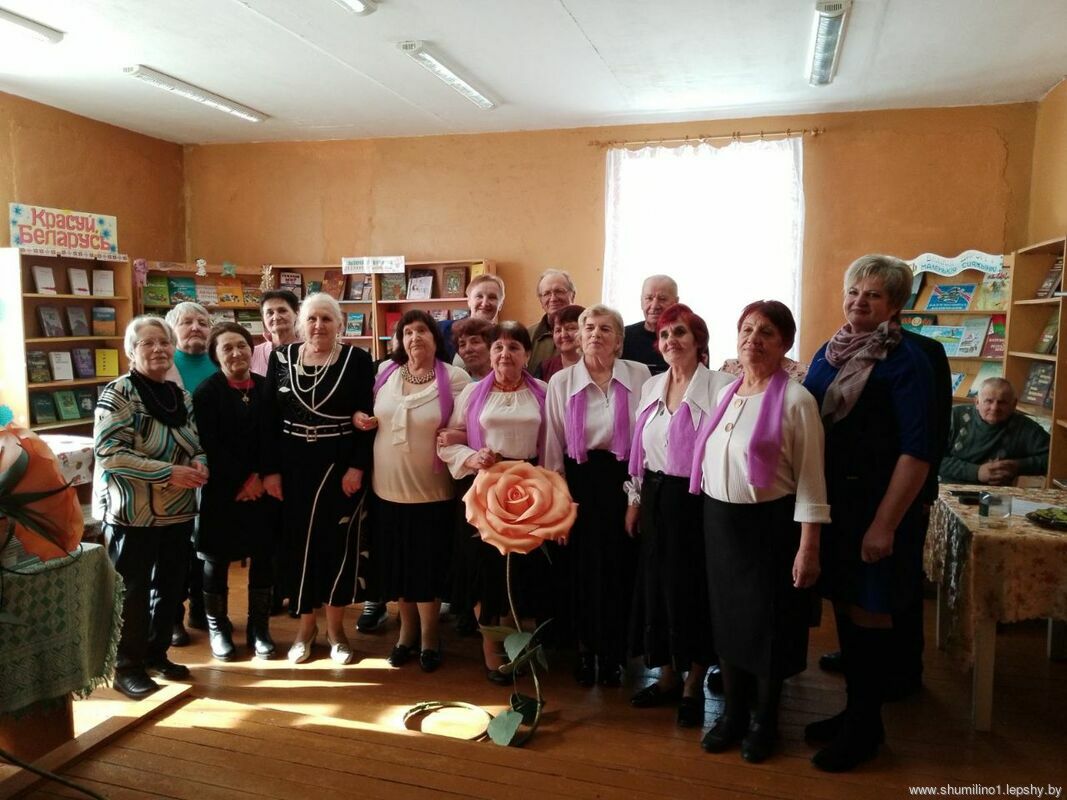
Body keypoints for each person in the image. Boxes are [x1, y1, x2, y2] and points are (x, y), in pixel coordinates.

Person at [803, 254, 935, 772]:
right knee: (847, 608)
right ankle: (857, 715)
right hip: (834, 504)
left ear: (895, 305)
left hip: (877, 507)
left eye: (874, 295)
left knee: (871, 612)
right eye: (854, 291)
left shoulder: (906, 361)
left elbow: (917, 451)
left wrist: (885, 524)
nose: (859, 301)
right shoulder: (830, 351)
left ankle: (865, 729)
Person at [691, 301, 828, 763]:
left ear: (785, 343)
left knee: (769, 626)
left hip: (770, 529)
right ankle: (732, 714)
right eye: (747, 329)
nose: (754, 339)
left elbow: (811, 481)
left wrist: (809, 547)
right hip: (720, 525)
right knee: (728, 622)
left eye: (766, 332)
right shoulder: (726, 393)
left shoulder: (797, 401)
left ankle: (765, 721)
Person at [626, 304, 733, 728]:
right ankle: (667, 675)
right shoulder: (652, 386)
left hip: (699, 499)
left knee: (693, 589)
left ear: (698, 340)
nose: (672, 340)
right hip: (656, 495)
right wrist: (635, 500)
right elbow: (640, 450)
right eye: (665, 334)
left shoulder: (722, 387)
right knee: (658, 587)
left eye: (681, 332)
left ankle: (694, 682)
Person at [94, 316, 209, 698]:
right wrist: (168, 472)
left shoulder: (180, 396)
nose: (158, 348)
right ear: (131, 351)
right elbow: (110, 454)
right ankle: (126, 666)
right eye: (148, 343)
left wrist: (200, 464)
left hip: (178, 511)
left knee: (170, 587)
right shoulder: (118, 394)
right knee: (132, 591)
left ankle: (157, 654)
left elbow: (196, 444)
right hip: (133, 514)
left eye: (164, 342)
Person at [261, 293, 375, 665]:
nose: (318, 325)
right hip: (292, 467)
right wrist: (271, 471)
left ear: (339, 324)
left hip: (339, 467)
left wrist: (357, 467)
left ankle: (336, 631)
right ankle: (305, 629)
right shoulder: (281, 358)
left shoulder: (357, 360)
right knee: (298, 547)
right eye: (311, 318)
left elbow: (368, 417)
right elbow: (268, 419)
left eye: (327, 318)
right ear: (300, 324)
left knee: (336, 546)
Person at [356, 309, 470, 672]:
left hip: (432, 492)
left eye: (422, 331)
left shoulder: (454, 377)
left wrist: (457, 434)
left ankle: (430, 636)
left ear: (436, 338)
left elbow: (470, 426)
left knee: (427, 566)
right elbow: (365, 411)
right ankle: (406, 633)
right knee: (397, 566)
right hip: (386, 489)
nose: (414, 337)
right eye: (407, 332)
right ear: (399, 340)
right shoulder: (384, 372)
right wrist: (360, 418)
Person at [545, 304, 650, 687]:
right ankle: (586, 650)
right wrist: (560, 505)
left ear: (619, 340)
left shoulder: (640, 375)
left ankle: (614, 654)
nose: (595, 334)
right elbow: (552, 446)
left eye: (606, 328)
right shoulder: (562, 382)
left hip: (624, 481)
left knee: (621, 569)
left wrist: (635, 498)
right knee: (583, 571)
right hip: (579, 483)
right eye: (588, 327)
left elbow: (645, 441)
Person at [438, 322, 549, 682]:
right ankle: (491, 649)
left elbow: (554, 445)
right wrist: (473, 457)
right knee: (485, 570)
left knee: (522, 571)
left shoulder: (544, 392)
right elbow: (446, 441)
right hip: (484, 489)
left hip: (529, 490)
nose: (505, 354)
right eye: (498, 347)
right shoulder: (473, 394)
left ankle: (518, 643)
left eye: (514, 348)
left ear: (527, 355)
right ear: (490, 353)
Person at [192, 323, 275, 661]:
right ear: (216, 355)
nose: (237, 353)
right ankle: (219, 628)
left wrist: (259, 477)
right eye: (227, 348)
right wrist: (242, 481)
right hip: (221, 490)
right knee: (216, 559)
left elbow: (273, 437)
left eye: (241, 345)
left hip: (262, 487)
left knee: (264, 555)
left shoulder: (266, 387)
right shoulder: (206, 393)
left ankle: (259, 627)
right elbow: (209, 445)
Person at [164, 300, 218, 645]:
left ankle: (202, 607)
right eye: (187, 322)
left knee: (206, 544)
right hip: (174, 470)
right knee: (175, 548)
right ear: (172, 329)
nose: (196, 327)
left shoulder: (219, 360)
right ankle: (173, 616)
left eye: (202, 322)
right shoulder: (163, 363)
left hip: (213, 469)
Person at [940, 377, 1050, 484]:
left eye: (1002, 402)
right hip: (947, 487)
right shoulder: (953, 417)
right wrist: (976, 472)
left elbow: (1053, 459)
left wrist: (1017, 466)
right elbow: (933, 457)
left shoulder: (1025, 427)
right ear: (977, 402)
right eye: (988, 401)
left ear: (1014, 404)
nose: (994, 408)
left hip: (998, 492)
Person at [440, 275, 505, 362]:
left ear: (500, 305)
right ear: (469, 301)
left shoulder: (504, 339)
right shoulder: (444, 329)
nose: (485, 303)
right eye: (479, 296)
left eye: (492, 297)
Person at [622, 275, 678, 375]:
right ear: (641, 301)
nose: (654, 305)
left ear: (676, 303)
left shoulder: (689, 339)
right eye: (649, 298)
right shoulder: (623, 336)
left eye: (662, 299)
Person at [528, 269, 577, 375]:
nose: (553, 298)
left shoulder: (589, 331)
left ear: (572, 295)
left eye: (559, 291)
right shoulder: (528, 335)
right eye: (546, 294)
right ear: (540, 300)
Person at [251, 289, 301, 377]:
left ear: (296, 313)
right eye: (270, 313)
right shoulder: (253, 353)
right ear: (263, 318)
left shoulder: (309, 349)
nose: (276, 317)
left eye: (282, 311)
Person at [537, 304, 584, 383]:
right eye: (558, 330)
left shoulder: (597, 366)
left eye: (570, 328)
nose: (563, 335)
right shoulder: (544, 368)